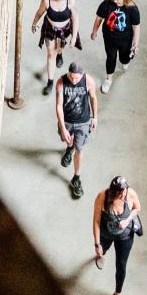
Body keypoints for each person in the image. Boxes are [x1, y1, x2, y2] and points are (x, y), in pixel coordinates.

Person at [93, 175, 143, 295]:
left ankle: (117, 294)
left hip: (125, 237)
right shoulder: (102, 197)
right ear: (113, 193)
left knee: (121, 266)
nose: (123, 197)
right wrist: (97, 244)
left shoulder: (130, 193)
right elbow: (96, 221)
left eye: (124, 193)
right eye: (119, 195)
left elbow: (137, 208)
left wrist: (127, 221)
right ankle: (101, 255)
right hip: (106, 234)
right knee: (102, 251)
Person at [56, 59, 97, 199]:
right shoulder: (61, 82)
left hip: (82, 122)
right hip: (67, 120)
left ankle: (76, 178)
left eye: (77, 78)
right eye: (72, 77)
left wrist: (94, 117)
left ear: (82, 74)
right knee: (67, 140)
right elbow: (59, 106)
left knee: (80, 149)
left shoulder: (88, 80)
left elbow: (93, 98)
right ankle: (69, 148)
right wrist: (63, 128)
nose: (74, 80)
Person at [31, 0, 80, 95]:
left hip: (65, 30)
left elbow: (75, 18)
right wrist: (34, 23)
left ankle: (60, 54)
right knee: (50, 54)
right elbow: (39, 13)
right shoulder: (46, 1)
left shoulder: (69, 0)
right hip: (50, 30)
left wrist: (73, 37)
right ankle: (50, 82)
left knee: (60, 48)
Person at [92, 0, 140, 90]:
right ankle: (108, 79)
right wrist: (94, 32)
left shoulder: (132, 9)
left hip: (125, 40)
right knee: (111, 57)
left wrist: (135, 44)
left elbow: (136, 28)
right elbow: (99, 19)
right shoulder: (106, 4)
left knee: (124, 58)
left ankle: (125, 61)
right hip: (109, 38)